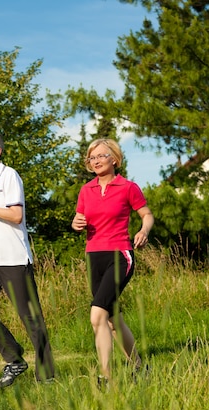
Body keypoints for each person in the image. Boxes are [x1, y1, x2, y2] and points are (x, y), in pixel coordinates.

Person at [0, 128, 55, 388]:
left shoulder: (10, 176)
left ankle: (47, 374)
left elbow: (16, 216)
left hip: (14, 259)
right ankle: (14, 359)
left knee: (31, 318)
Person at [71, 138, 154, 388]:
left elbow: (146, 214)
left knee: (97, 314)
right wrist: (76, 224)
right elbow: (79, 218)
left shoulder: (128, 187)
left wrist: (144, 230)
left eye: (100, 156)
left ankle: (105, 378)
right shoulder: (86, 190)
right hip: (93, 256)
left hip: (120, 255)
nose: (95, 161)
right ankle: (140, 368)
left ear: (114, 159)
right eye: (91, 158)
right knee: (112, 320)